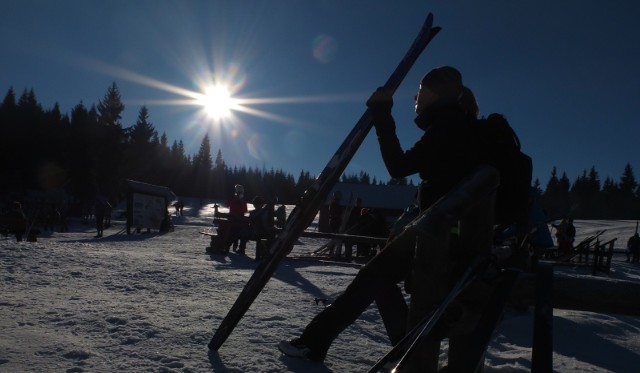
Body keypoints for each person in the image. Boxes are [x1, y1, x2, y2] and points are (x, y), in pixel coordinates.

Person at [278, 66, 482, 364]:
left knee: (373, 278)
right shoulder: (457, 126)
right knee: (375, 280)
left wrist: (382, 116)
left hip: (437, 233)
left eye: (420, 92)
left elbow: (399, 166)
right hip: (437, 231)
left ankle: (318, 344)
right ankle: (397, 352)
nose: (415, 98)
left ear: (436, 95)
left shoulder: (450, 126)